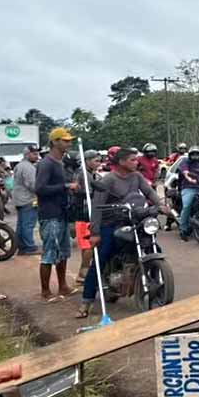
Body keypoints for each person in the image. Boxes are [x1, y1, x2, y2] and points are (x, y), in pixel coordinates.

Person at [78, 147, 162, 318]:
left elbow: (149, 192)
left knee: (154, 248)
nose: (136, 162)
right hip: (111, 223)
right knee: (101, 256)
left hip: (132, 219)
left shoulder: (136, 176)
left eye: (136, 159)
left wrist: (161, 205)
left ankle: (156, 288)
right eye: (132, 159)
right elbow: (96, 206)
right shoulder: (109, 180)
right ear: (122, 162)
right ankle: (86, 301)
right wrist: (95, 232)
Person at [35, 128, 79, 300]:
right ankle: (45, 291)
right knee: (49, 253)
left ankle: (63, 286)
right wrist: (66, 187)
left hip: (61, 212)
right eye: (65, 140)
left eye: (69, 141)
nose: (69, 143)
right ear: (55, 142)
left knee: (63, 252)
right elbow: (39, 188)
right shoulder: (46, 164)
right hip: (50, 214)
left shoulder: (60, 163)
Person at [72, 150, 102, 284]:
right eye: (96, 161)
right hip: (83, 214)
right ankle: (83, 274)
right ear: (87, 161)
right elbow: (88, 193)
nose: (98, 163)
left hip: (87, 213)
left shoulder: (91, 174)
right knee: (88, 246)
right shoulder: (83, 174)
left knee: (89, 246)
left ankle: (84, 272)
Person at [11, 145, 40, 255]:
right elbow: (33, 185)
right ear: (27, 154)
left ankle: (21, 246)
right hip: (27, 199)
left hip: (20, 199)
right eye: (34, 154)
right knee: (28, 224)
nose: (37, 156)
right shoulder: (28, 167)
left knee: (22, 224)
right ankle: (29, 247)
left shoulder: (20, 165)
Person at [177, 146, 199, 241]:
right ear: (190, 155)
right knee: (187, 206)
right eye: (193, 154)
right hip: (188, 188)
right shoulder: (185, 162)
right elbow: (185, 172)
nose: (195, 156)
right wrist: (190, 178)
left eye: (197, 155)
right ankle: (183, 229)